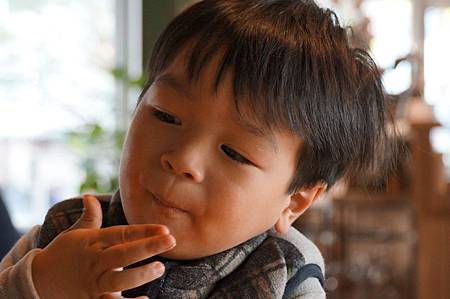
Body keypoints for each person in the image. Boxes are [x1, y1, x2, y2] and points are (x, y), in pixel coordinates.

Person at [0, 0, 399, 298]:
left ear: (294, 201)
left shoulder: (283, 276)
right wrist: (38, 283)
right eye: (166, 116)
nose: (183, 160)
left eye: (235, 152)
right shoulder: (64, 235)